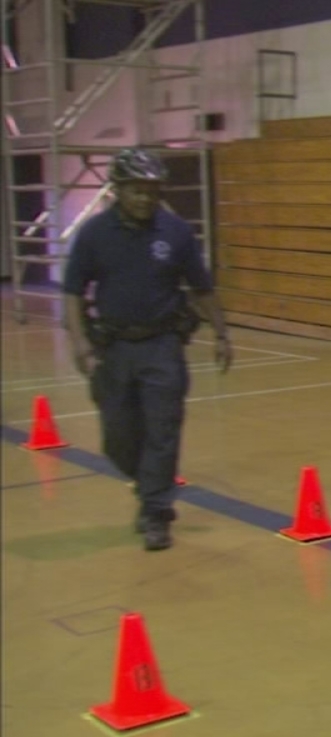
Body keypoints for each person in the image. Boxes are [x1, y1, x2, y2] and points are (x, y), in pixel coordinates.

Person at [62, 148, 231, 551]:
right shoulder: (94, 234)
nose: (144, 199)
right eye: (136, 191)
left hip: (162, 347)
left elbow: (202, 288)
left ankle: (156, 511)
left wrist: (222, 334)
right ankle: (147, 483)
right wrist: (80, 342)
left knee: (163, 429)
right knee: (119, 439)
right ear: (118, 189)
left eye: (152, 192)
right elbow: (71, 292)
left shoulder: (175, 232)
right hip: (113, 348)